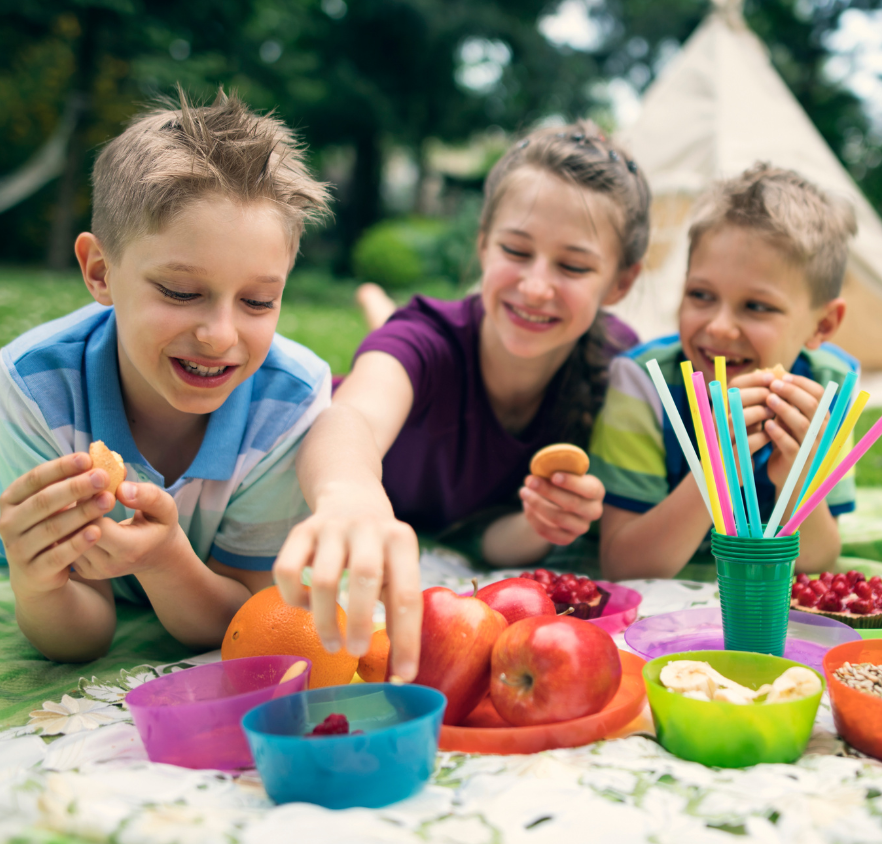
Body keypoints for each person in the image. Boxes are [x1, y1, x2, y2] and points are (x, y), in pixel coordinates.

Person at [0, 89, 372, 663]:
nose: (220, 334)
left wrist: (164, 561)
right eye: (182, 292)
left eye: (258, 301)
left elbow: (247, 620)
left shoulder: (290, 400)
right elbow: (79, 636)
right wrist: (37, 583)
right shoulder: (37, 383)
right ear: (101, 272)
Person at [274, 123, 650, 678]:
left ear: (620, 283)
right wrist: (350, 496)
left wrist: (543, 522)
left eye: (573, 266)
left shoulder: (617, 368)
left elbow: (490, 537)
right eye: (516, 250)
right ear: (481, 244)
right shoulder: (424, 337)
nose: (536, 286)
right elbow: (345, 418)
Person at [591, 164, 859, 579]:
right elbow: (622, 564)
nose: (717, 326)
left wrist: (799, 475)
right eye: (701, 295)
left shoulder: (831, 390)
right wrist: (713, 469)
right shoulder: (644, 385)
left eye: (756, 306)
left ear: (821, 325)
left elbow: (817, 563)